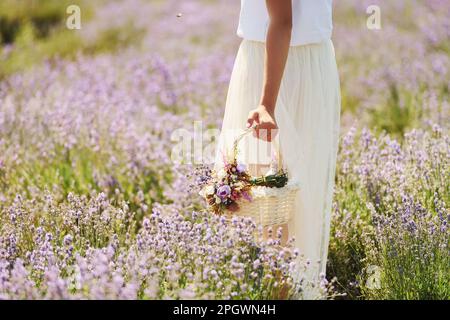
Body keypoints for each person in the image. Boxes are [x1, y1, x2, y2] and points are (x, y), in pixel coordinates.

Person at [214, 0, 341, 294]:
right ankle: (286, 285)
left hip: (272, 63)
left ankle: (274, 290)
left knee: (268, 194)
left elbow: (282, 21)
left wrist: (266, 104)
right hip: (312, 60)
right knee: (291, 188)